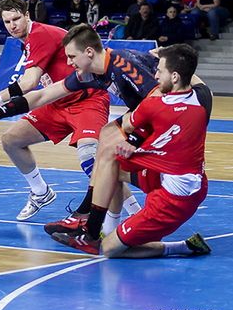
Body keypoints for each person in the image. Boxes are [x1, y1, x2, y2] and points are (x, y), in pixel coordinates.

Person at [0, 23, 164, 231]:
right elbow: (44, 95)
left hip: (169, 116)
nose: (68, 63)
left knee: (108, 157)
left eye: (71, 57)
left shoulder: (122, 63)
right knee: (107, 153)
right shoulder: (89, 74)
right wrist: (0, 111)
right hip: (144, 113)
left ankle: (113, 214)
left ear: (89, 52)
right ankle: (105, 226)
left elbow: (159, 103)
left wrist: (133, 139)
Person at [51, 44, 211, 257]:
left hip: (175, 199)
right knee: (110, 159)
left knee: (109, 249)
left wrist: (131, 141)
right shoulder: (203, 98)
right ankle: (93, 230)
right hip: (177, 177)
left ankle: (183, 247)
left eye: (159, 70)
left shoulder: (155, 106)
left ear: (174, 77)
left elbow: (122, 128)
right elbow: (191, 73)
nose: (154, 74)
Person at [0, 0, 115, 221]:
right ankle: (40, 192)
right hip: (57, 102)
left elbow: (28, 83)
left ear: (28, 16)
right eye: (7, 21)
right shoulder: (24, 41)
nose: (12, 25)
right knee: (11, 140)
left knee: (90, 158)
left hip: (87, 100)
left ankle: (120, 212)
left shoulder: (39, 34)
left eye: (17, 18)